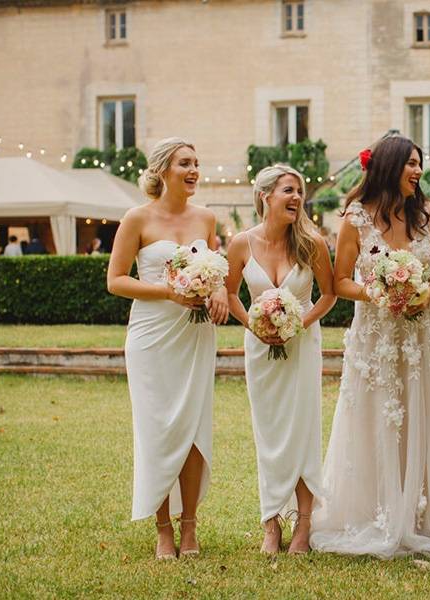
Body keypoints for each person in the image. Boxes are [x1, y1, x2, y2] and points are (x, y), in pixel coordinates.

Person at [310, 135, 430, 558]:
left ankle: (425, 513)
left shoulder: (429, 215)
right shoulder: (355, 219)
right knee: (378, 416)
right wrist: (380, 293)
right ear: (391, 167)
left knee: (426, 413)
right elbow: (341, 282)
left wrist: (423, 295)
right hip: (377, 338)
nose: (418, 171)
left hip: (424, 332)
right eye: (411, 163)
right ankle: (379, 510)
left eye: (420, 163)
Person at [107, 137, 229, 560]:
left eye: (196, 163)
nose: (194, 170)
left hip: (195, 335)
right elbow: (116, 280)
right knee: (157, 428)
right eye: (185, 163)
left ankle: (190, 527)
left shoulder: (207, 218)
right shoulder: (136, 218)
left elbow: (216, 272)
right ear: (162, 170)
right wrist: (168, 292)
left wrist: (219, 295)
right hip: (152, 336)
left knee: (194, 427)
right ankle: (163, 531)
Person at [225, 164, 336, 554]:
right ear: (265, 196)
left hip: (302, 346)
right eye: (289, 190)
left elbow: (329, 294)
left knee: (304, 430)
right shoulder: (241, 243)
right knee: (269, 434)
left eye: (299, 192)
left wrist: (298, 324)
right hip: (260, 351)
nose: (296, 198)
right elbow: (231, 294)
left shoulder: (312, 243)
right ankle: (271, 521)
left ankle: (303, 526)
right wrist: (254, 326)